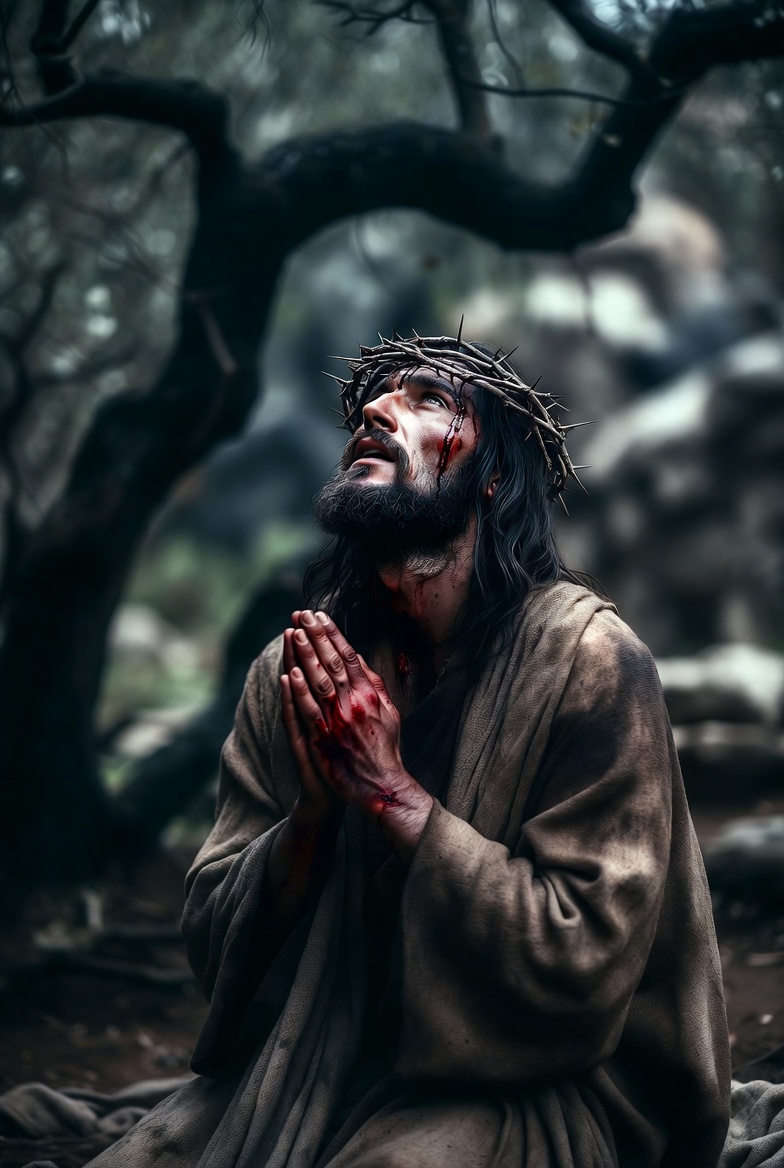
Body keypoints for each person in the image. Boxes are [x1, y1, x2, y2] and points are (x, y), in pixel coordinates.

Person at [88, 333, 730, 1168]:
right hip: (313, 1059)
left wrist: (390, 795)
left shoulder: (592, 665)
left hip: (551, 1083)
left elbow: (584, 959)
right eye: (371, 402)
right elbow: (217, 945)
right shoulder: (297, 672)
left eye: (428, 400)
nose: (376, 412)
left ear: (492, 474)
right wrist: (315, 818)